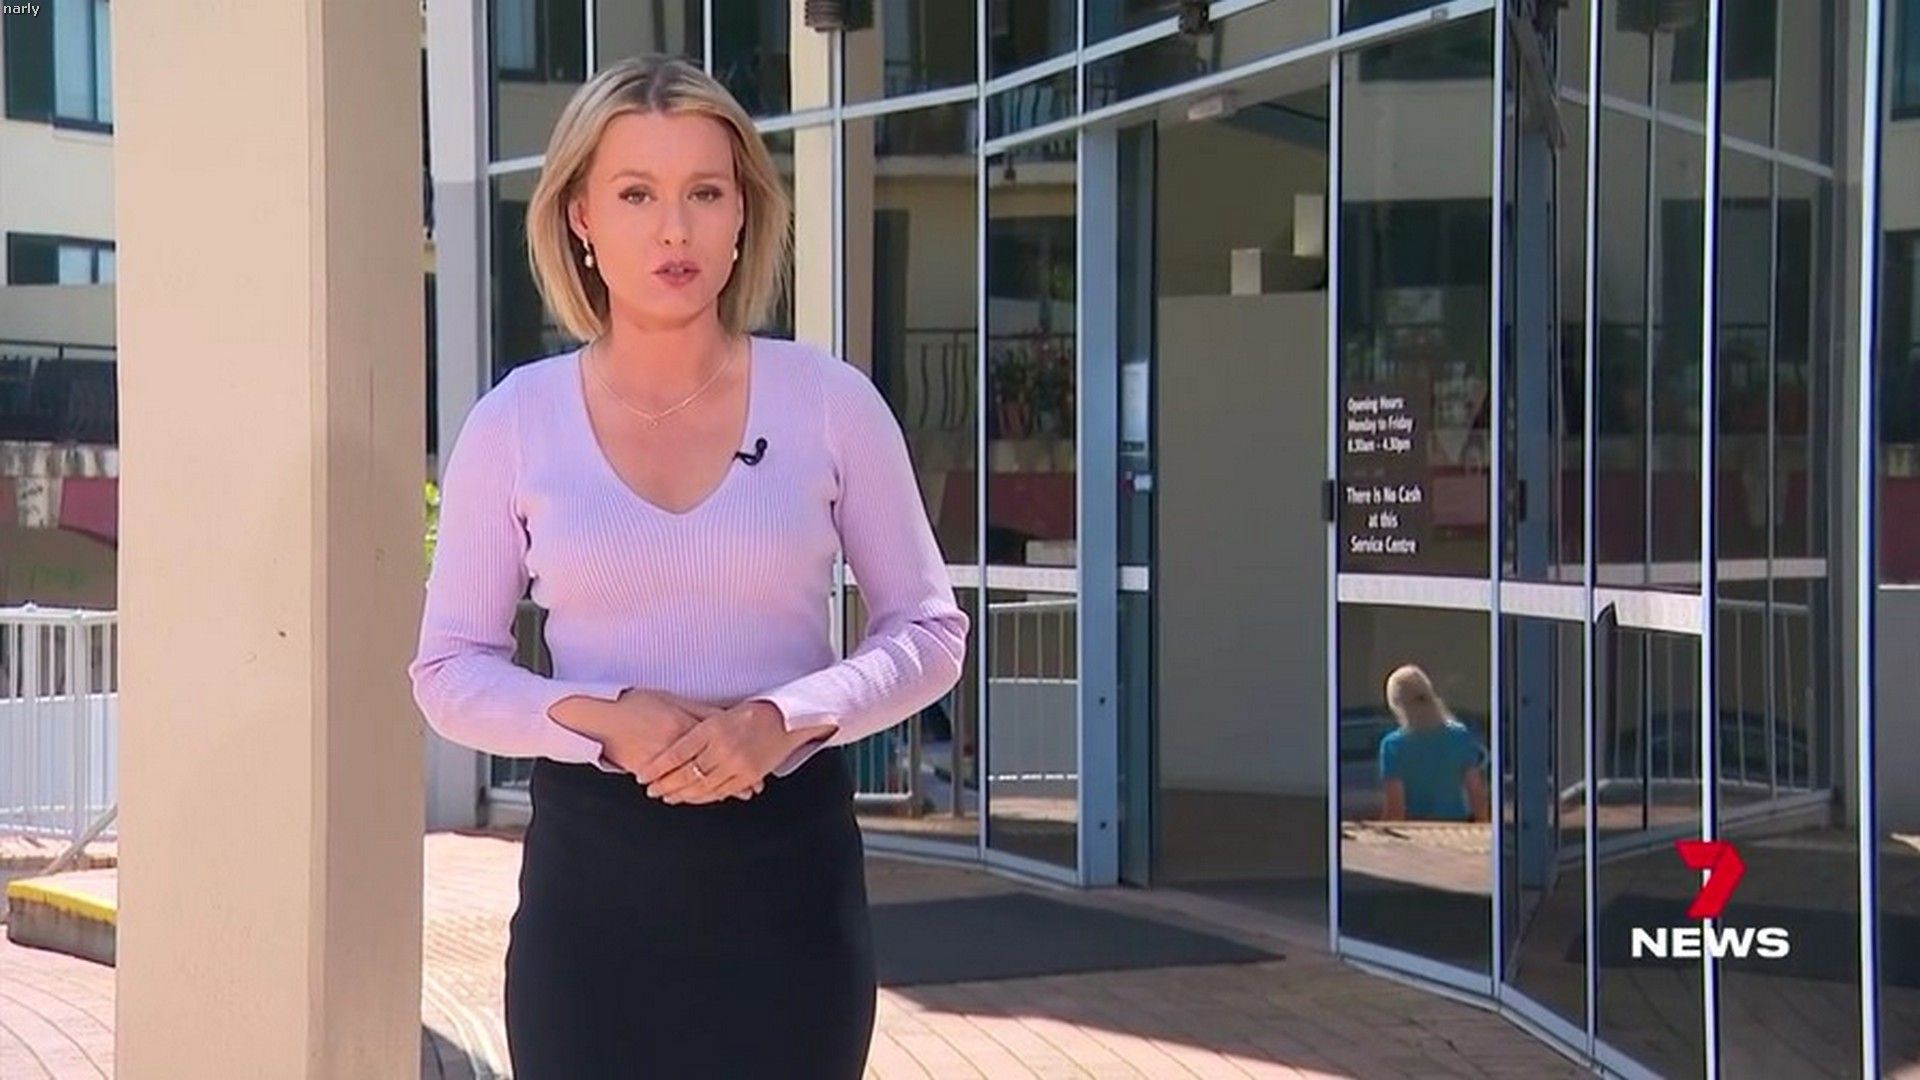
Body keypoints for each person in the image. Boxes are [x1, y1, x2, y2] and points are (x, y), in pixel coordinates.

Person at [406, 55, 968, 1079]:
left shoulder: (831, 403)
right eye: (637, 194)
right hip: (592, 903)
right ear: (580, 216)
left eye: (705, 193)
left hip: (790, 892)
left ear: (744, 212)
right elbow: (448, 671)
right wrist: (604, 717)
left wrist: (782, 718)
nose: (675, 229)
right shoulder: (515, 421)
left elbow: (929, 632)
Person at [1377, 665, 1489, 823]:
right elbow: (1476, 793)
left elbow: (1395, 809)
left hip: (1417, 830)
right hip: (1456, 828)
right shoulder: (1458, 736)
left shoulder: (1393, 746)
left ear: (1396, 704)